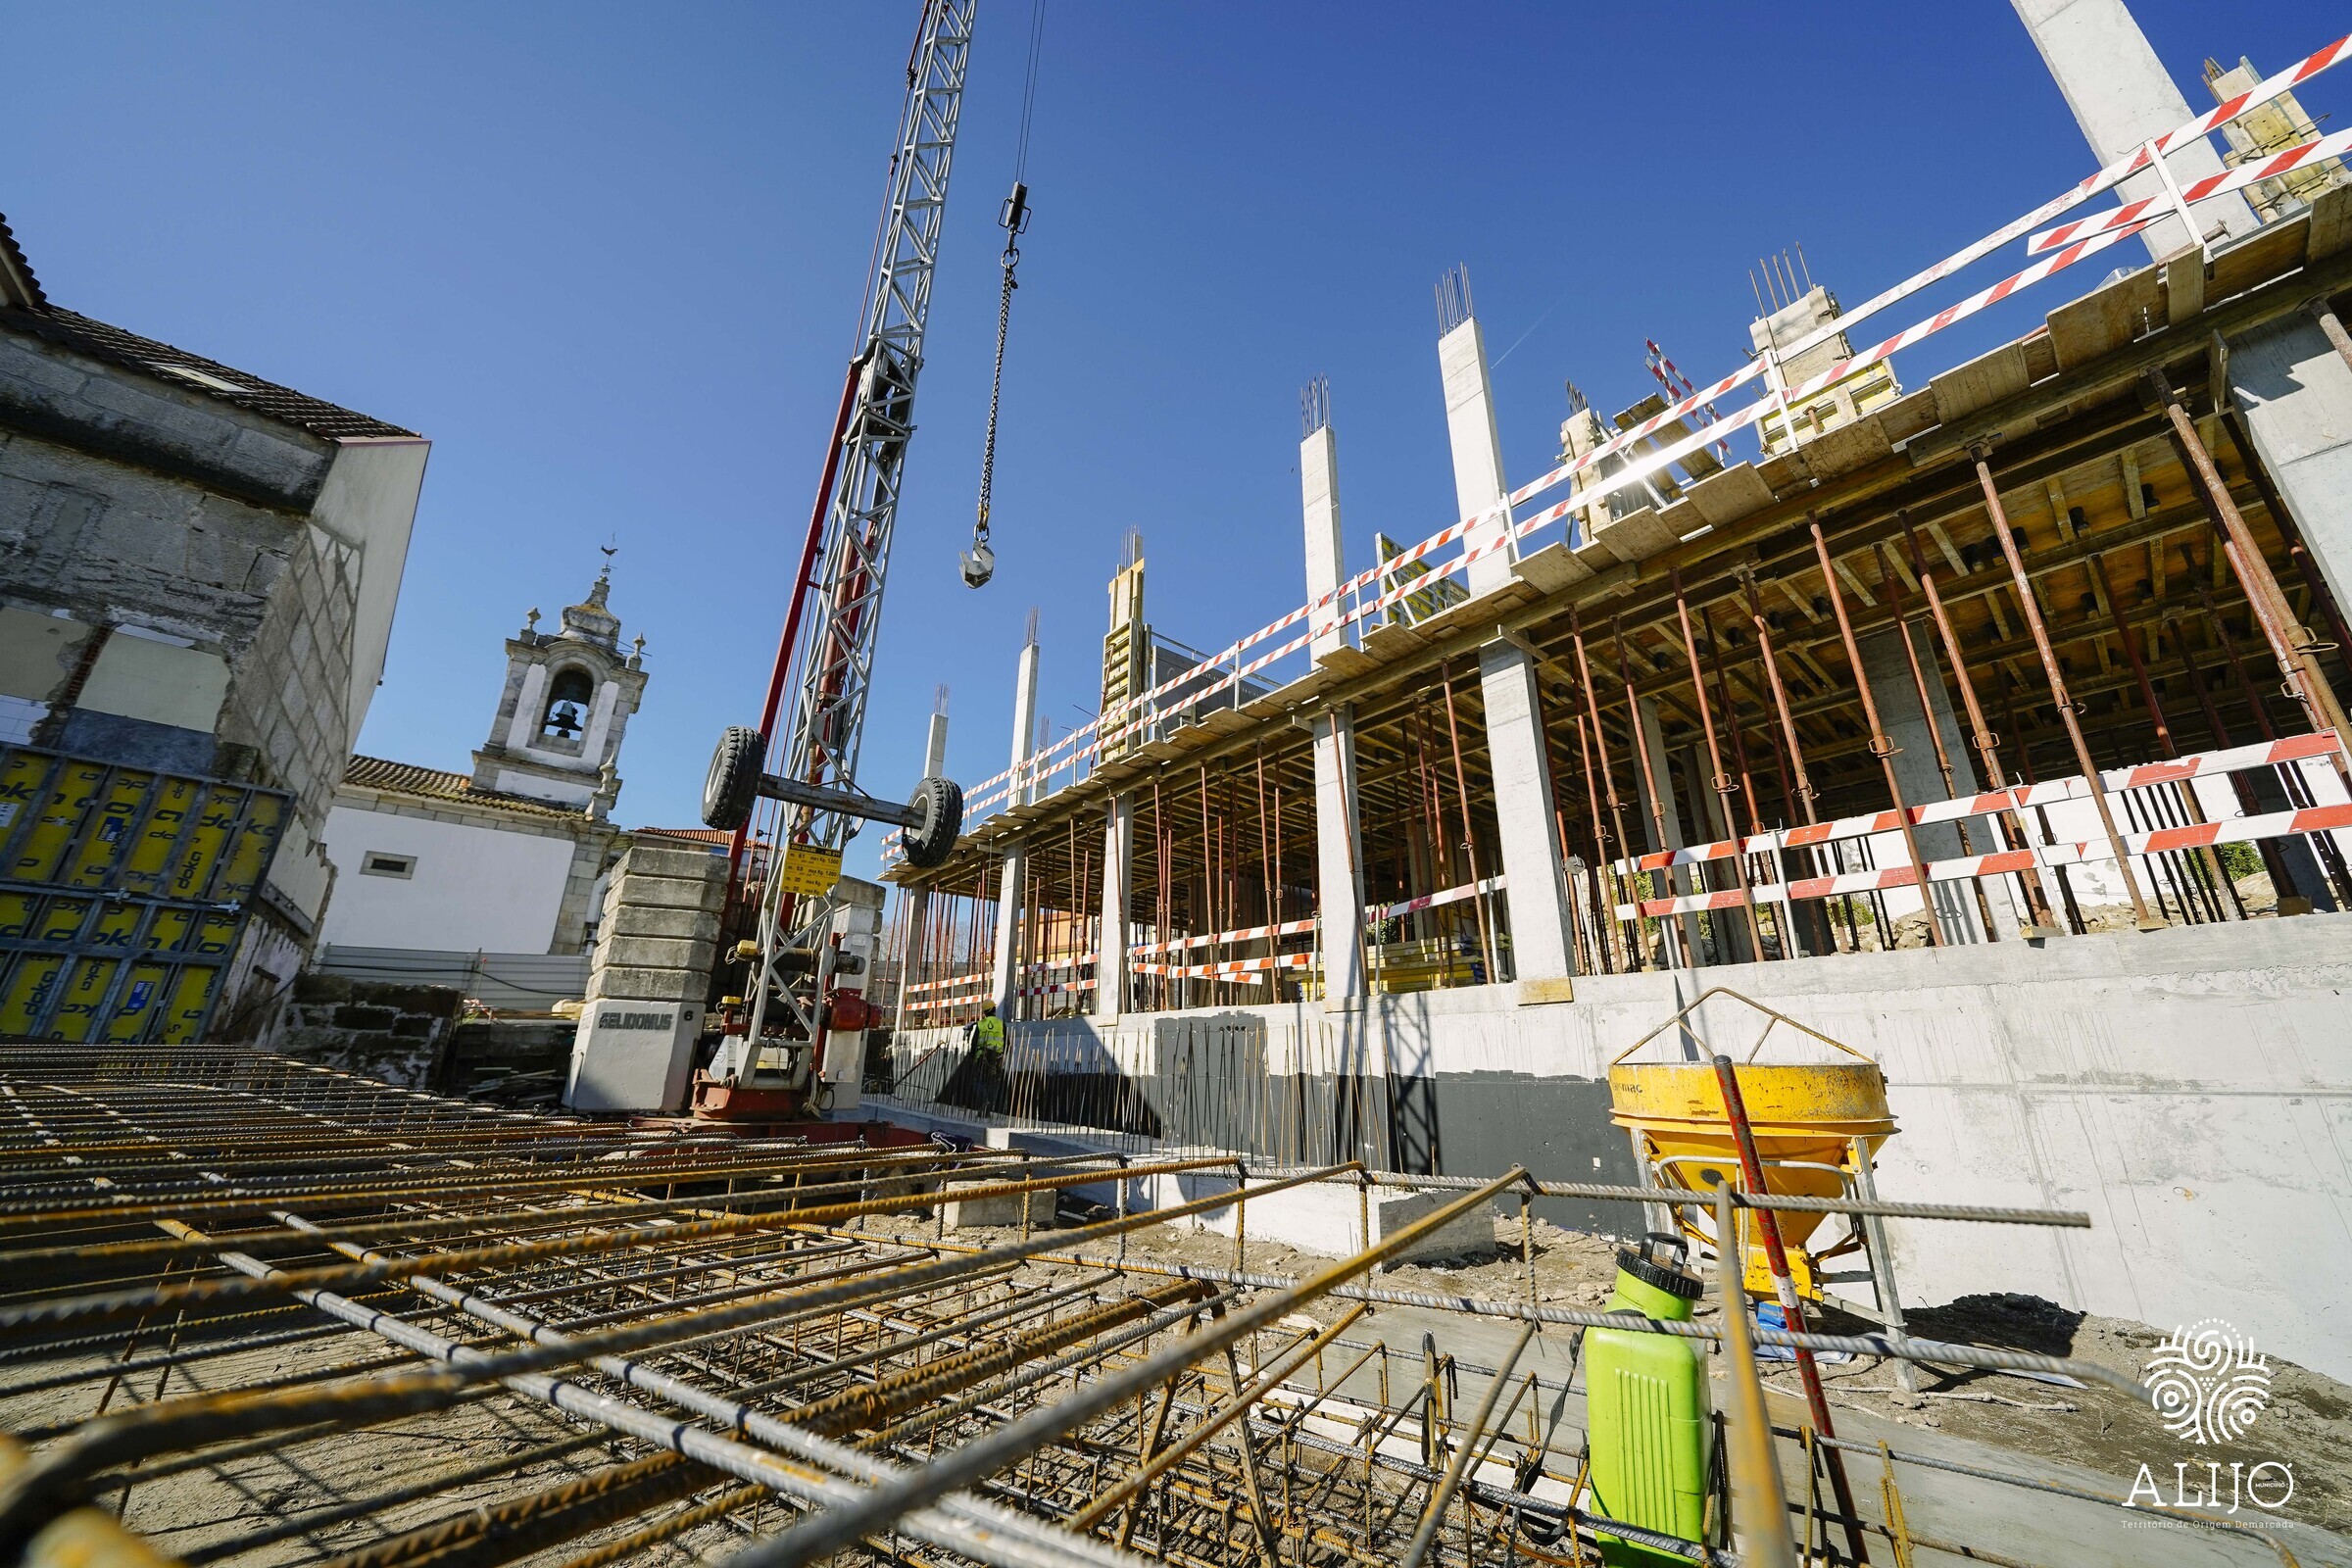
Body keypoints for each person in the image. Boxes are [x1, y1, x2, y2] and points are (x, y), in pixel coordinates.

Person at [964, 1000, 1007, 1113]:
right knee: (993, 1082)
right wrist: (1003, 1056)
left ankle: (984, 1101)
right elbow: (1007, 1042)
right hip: (997, 1058)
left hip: (982, 1057)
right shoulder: (1001, 1024)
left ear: (984, 1012)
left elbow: (975, 1043)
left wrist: (972, 1058)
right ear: (993, 1010)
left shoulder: (981, 1024)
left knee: (977, 1081)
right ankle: (989, 1106)